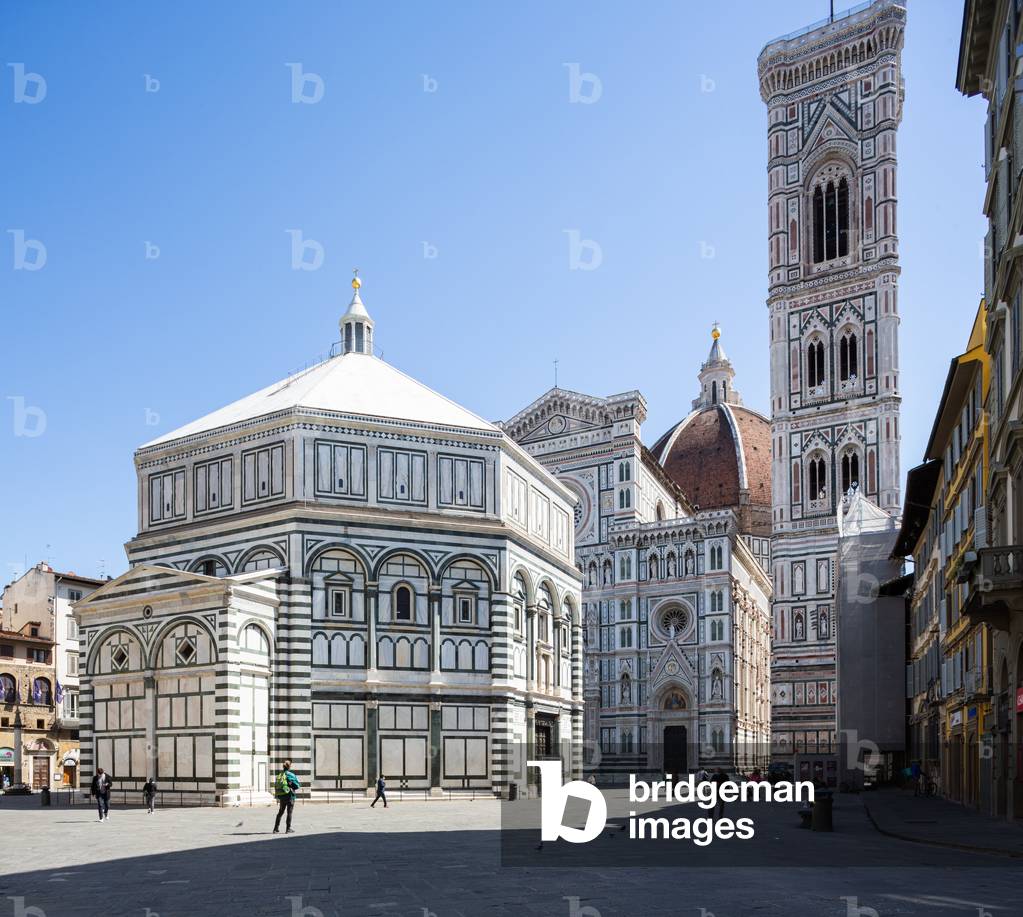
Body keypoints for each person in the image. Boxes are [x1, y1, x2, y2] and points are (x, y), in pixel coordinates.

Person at [272, 760, 300, 834]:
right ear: (289, 767)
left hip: (282, 796)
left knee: (280, 812)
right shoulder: (290, 775)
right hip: (290, 796)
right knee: (289, 812)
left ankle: (275, 828)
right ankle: (288, 828)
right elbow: (297, 785)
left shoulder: (280, 775)